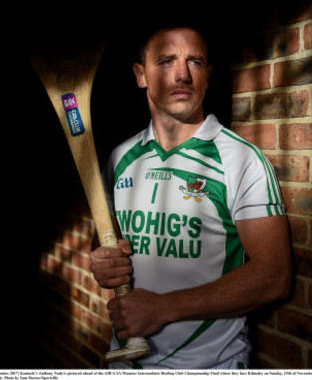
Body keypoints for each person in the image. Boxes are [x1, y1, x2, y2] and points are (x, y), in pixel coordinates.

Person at [89, 23, 292, 369]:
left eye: (195, 62)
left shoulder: (240, 159)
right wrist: (101, 260)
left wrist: (162, 309)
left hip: (207, 365)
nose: (182, 74)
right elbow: (105, 239)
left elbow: (274, 275)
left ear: (208, 75)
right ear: (141, 75)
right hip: (124, 361)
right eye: (167, 61)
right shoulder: (120, 158)